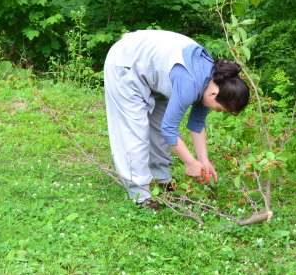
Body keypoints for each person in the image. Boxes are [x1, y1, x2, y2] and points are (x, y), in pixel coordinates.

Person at [103, 30, 250, 206]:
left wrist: (203, 160)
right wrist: (189, 162)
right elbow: (169, 129)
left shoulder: (212, 81)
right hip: (127, 63)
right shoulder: (189, 83)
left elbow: (196, 124)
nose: (218, 112)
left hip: (155, 72)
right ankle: (140, 195)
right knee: (135, 131)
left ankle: (162, 181)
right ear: (214, 93)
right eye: (220, 109)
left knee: (157, 127)